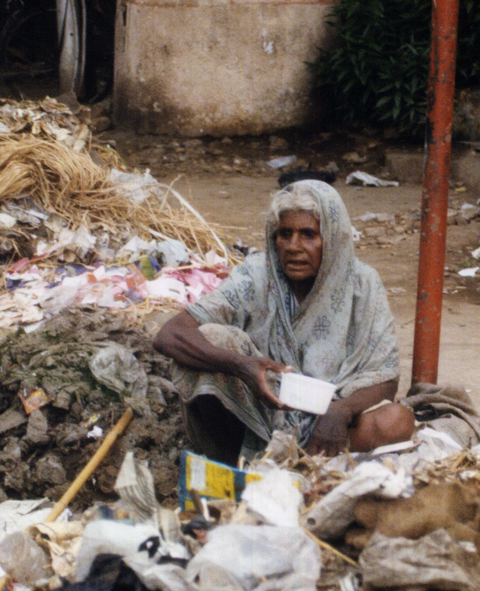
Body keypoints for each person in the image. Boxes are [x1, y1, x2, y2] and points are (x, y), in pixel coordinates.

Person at [153, 179, 415, 465]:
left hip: (329, 423)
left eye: (308, 235)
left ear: (333, 237)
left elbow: (385, 377)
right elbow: (170, 334)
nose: (293, 246)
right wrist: (242, 366)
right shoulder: (257, 276)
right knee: (213, 338)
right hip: (256, 415)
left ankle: (303, 463)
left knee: (396, 420)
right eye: (285, 233)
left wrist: (342, 411)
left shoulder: (363, 284)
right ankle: (235, 462)